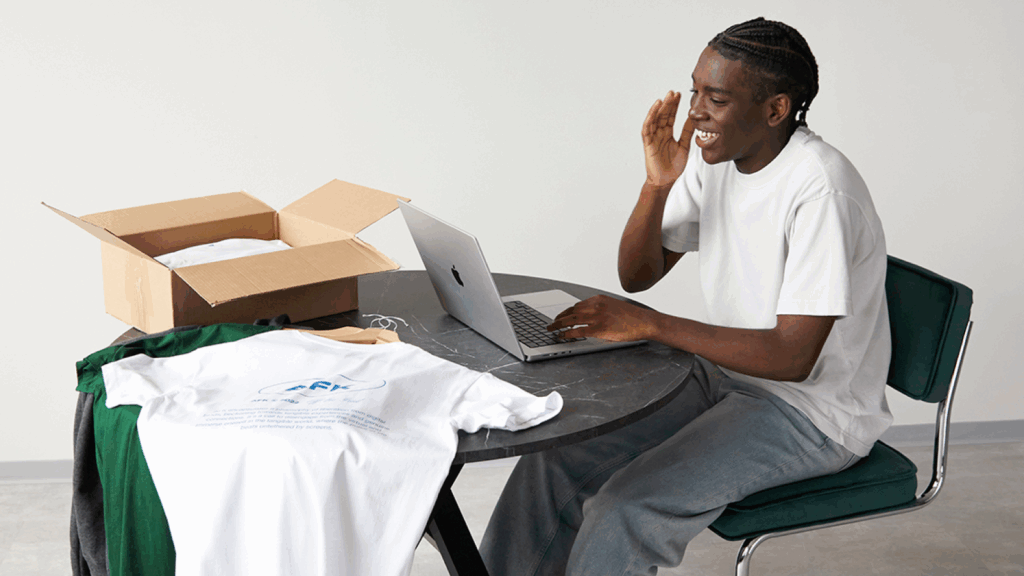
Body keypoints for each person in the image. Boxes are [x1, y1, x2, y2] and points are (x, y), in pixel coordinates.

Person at [478, 17, 893, 576]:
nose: (694, 111)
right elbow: (637, 275)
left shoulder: (821, 190)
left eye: (715, 98)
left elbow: (792, 360)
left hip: (812, 413)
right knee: (553, 462)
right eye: (695, 89)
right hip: (726, 376)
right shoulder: (718, 162)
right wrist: (658, 183)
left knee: (627, 508)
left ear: (775, 109)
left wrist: (651, 325)